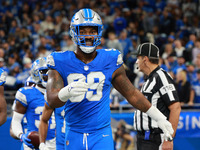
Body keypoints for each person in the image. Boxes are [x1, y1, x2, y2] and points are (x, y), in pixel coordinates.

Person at [46, 8, 174, 150]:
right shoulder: (60, 60)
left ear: (99, 32)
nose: (88, 36)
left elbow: (131, 93)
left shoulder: (110, 59)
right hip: (74, 132)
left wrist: (159, 117)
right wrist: (67, 91)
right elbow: (51, 100)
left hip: (101, 134)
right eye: (83, 31)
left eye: (92, 31)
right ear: (73, 32)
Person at [133, 43, 181, 150]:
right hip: (145, 138)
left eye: (138, 58)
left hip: (154, 138)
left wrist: (169, 139)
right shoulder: (150, 79)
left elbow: (175, 107)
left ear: (145, 59)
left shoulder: (161, 77)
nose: (136, 61)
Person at [11, 57, 56, 150]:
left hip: (55, 144)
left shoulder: (60, 93)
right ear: (36, 73)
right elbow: (16, 121)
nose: (48, 74)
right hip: (32, 145)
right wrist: (21, 135)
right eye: (44, 71)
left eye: (50, 71)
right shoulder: (26, 93)